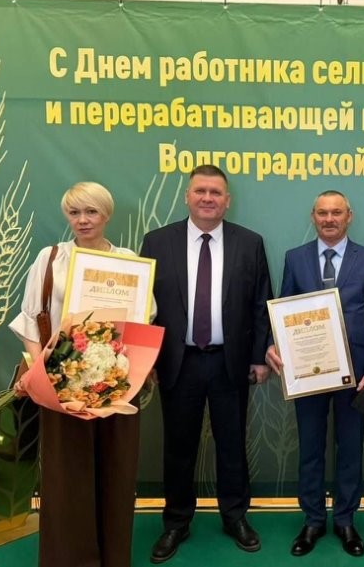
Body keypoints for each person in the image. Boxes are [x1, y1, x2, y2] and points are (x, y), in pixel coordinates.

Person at [141, 164, 273, 563]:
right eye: (200, 190)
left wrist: (259, 357)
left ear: (227, 201)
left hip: (229, 363)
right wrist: (146, 358)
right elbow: (142, 306)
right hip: (177, 362)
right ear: (187, 196)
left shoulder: (249, 243)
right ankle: (176, 522)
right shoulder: (157, 242)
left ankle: (234, 516)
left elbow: (260, 303)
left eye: (216, 192)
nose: (207, 198)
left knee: (232, 444)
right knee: (178, 446)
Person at [9, 181, 140, 567]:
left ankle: (113, 557)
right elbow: (31, 319)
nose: (83, 220)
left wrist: (125, 372)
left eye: (91, 211)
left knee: (115, 473)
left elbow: (141, 320)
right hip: (61, 383)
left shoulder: (128, 260)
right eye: (74, 212)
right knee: (67, 479)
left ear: (106, 215)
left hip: (115, 383)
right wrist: (42, 375)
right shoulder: (50, 259)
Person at [265, 190, 364, 557]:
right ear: (313, 217)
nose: (329, 219)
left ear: (349, 216)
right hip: (307, 373)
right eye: (323, 213)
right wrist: (273, 343)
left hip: (357, 374)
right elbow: (284, 308)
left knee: (350, 448)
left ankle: (346, 520)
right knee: (310, 447)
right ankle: (314, 520)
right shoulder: (296, 258)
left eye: (336, 212)